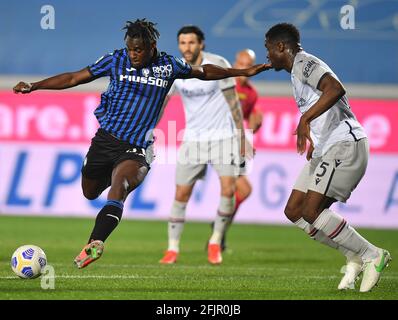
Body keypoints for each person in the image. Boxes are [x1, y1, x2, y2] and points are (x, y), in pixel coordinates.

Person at [13, 19, 271, 269]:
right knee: (90, 192)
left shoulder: (168, 65)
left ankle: (95, 243)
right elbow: (74, 78)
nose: (134, 54)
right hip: (105, 141)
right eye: (130, 49)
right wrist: (35, 86)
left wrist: (242, 72)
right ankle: (108, 183)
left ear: (152, 48)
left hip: (137, 147)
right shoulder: (115, 60)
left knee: (120, 186)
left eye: (139, 50)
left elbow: (204, 72)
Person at [264, 22, 391, 292]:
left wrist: (305, 119)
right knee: (295, 211)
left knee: (312, 210)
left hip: (345, 144)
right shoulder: (296, 73)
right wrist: (316, 138)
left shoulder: (303, 63)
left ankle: (372, 254)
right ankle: (352, 254)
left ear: (280, 47)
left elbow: (335, 88)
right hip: (326, 146)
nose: (267, 56)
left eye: (268, 49)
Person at [159, 25, 250, 265]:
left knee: (229, 190)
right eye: (182, 43)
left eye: (191, 42)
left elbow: (233, 104)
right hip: (193, 140)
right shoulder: (177, 70)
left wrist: (242, 137)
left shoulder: (216, 63)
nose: (186, 47)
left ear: (201, 44)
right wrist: (148, 129)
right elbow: (162, 105)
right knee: (181, 194)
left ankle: (215, 241)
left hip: (223, 138)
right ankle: (172, 248)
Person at [215, 48, 264, 252]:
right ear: (235, 63)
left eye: (247, 64)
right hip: (217, 141)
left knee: (241, 191)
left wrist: (255, 121)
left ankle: (219, 230)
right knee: (240, 189)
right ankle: (218, 232)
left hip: (234, 142)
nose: (243, 67)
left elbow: (250, 119)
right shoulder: (225, 82)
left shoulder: (251, 94)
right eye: (240, 63)